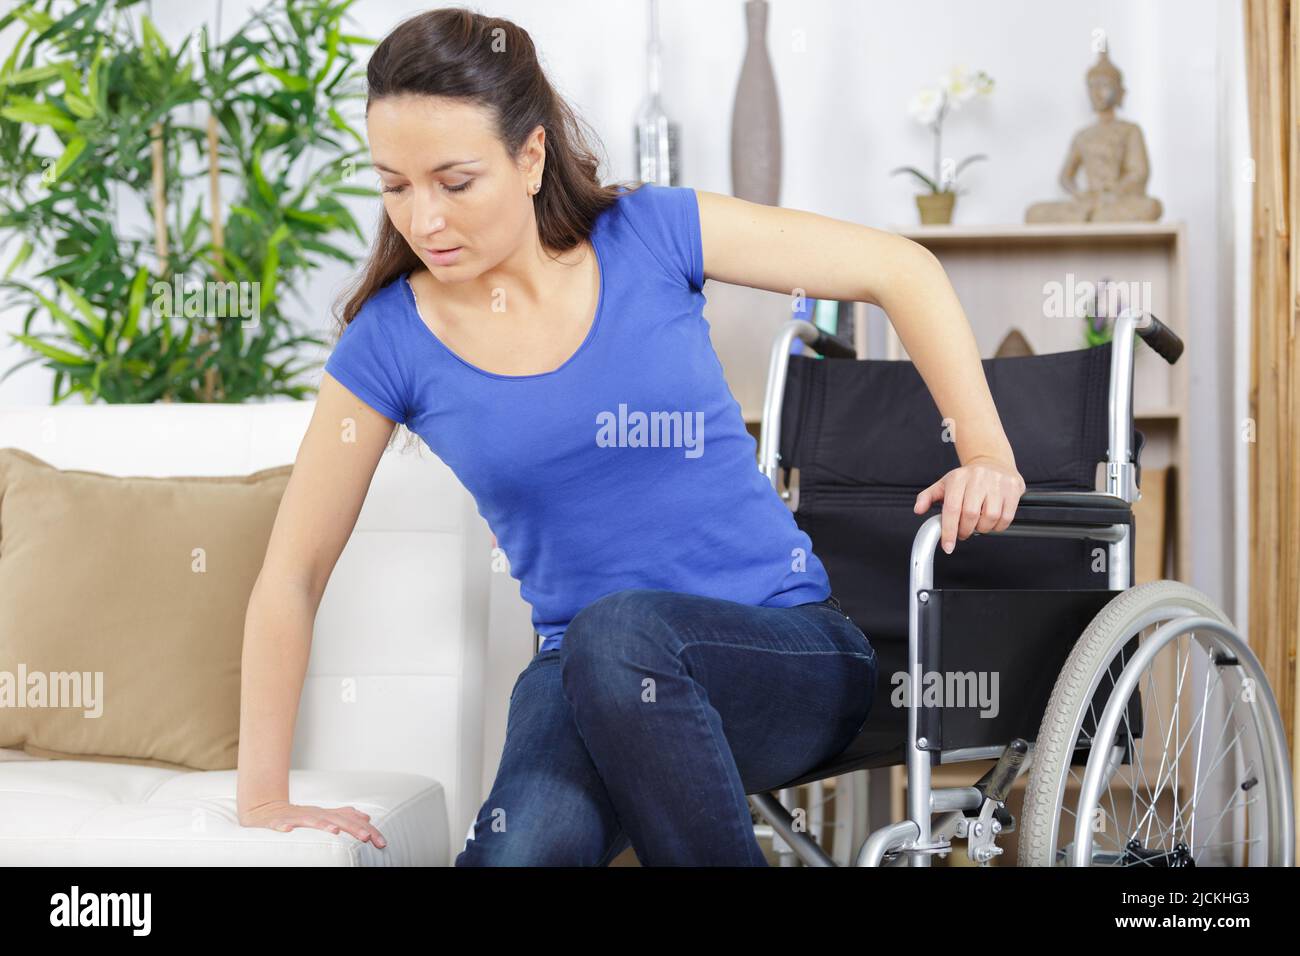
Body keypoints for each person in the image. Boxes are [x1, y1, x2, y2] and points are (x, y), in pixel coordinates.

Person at [236, 7, 1026, 866]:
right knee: (520, 843)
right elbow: (294, 570)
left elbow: (898, 268)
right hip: (584, 683)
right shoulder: (389, 343)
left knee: (619, 636)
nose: (423, 221)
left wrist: (986, 452)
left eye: (454, 182)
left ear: (530, 156)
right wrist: (264, 797)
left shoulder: (649, 231)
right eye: (394, 186)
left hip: (785, 654)